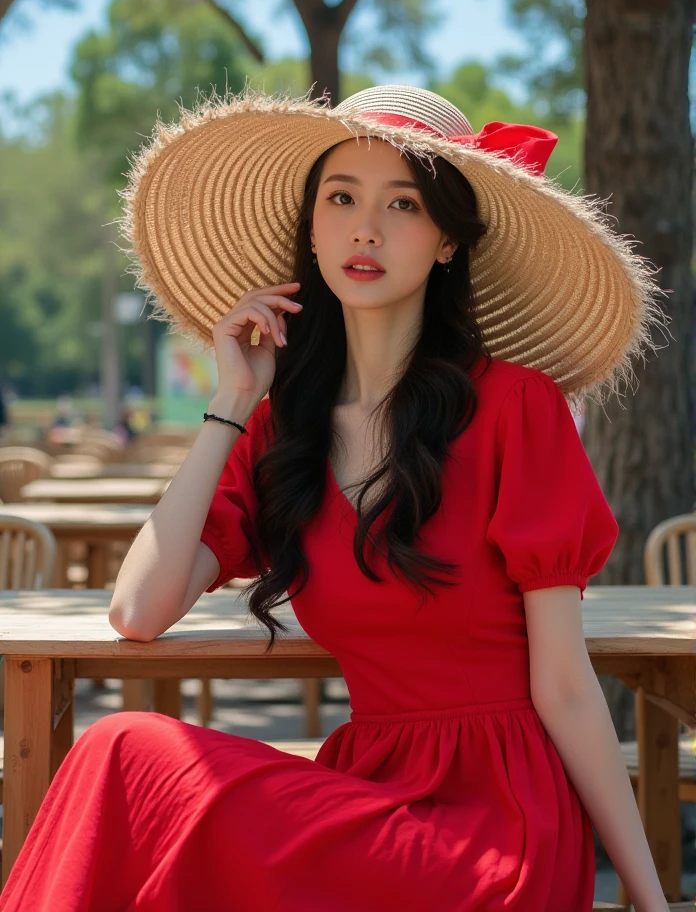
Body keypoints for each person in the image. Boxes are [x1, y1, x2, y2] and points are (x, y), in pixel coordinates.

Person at [1, 85, 670, 912]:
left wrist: (649, 895)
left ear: (448, 242)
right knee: (119, 755)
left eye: (404, 204)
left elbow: (565, 687)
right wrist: (233, 403)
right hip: (365, 796)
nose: (366, 227)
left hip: (497, 827)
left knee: (127, 758)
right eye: (341, 198)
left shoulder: (515, 407)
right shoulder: (284, 431)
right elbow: (138, 609)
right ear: (311, 230)